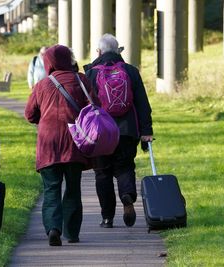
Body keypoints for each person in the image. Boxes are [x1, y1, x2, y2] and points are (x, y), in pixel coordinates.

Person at [25, 45, 99, 246]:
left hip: (48, 144)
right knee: (73, 189)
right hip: (74, 141)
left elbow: (30, 114)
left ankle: (53, 228)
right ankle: (72, 233)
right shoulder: (81, 80)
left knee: (51, 189)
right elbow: (95, 106)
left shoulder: (42, 85)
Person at [83, 33, 153, 228]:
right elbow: (142, 103)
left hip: (101, 132)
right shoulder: (130, 71)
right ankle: (127, 196)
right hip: (127, 130)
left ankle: (107, 217)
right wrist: (146, 130)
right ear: (118, 50)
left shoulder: (91, 73)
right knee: (125, 167)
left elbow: (85, 107)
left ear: (98, 51)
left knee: (102, 173)